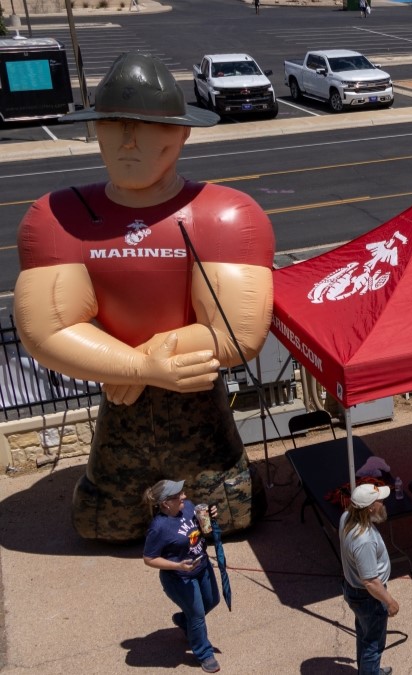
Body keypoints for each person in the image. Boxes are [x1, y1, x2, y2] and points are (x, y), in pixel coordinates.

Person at [14, 52, 275, 542]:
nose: (128, 140)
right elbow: (46, 328)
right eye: (114, 124)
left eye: (146, 126)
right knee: (102, 520)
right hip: (123, 403)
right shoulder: (59, 216)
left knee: (228, 509)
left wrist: (142, 359)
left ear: (180, 134)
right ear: (97, 131)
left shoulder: (225, 215)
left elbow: (237, 334)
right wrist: (139, 369)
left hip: (196, 404)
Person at [142, 479, 223, 674]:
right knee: (197, 616)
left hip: (202, 566)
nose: (184, 497)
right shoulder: (159, 527)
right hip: (180, 578)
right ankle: (204, 653)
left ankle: (183, 620)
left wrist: (211, 518)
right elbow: (149, 558)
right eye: (179, 495)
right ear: (165, 503)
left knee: (212, 600)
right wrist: (177, 565)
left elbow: (202, 531)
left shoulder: (188, 507)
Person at [340, 483, 400, 675]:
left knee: (365, 634)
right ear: (370, 508)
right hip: (368, 598)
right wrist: (390, 601)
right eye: (380, 501)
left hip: (354, 591)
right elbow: (370, 582)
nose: (383, 503)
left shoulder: (346, 517)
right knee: (373, 644)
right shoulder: (364, 540)